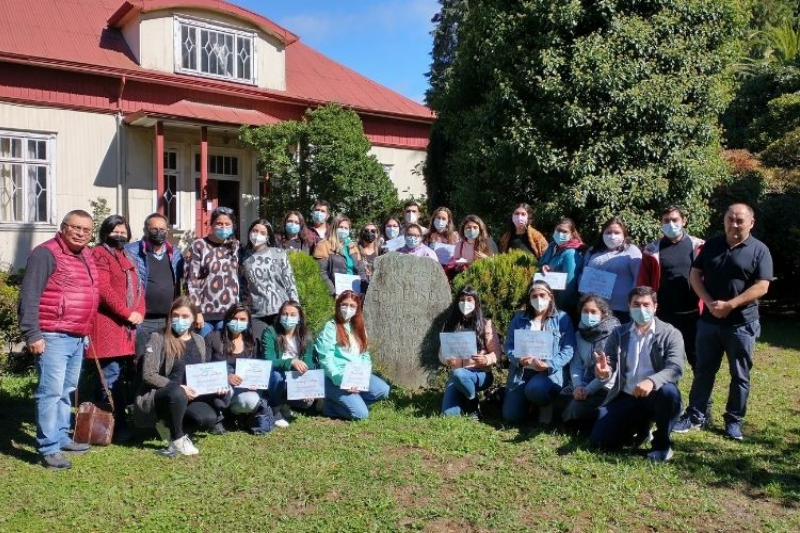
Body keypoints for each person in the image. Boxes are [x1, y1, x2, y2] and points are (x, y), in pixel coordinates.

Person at [674, 203, 772, 441]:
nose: (734, 224)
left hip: (741, 324)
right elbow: (695, 274)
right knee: (703, 370)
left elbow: (763, 285)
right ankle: (695, 415)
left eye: (739, 220)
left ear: (751, 222)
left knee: (739, 375)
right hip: (709, 321)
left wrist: (731, 304)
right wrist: (708, 302)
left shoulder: (759, 250)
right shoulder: (712, 245)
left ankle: (734, 421)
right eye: (730, 219)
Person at [19, 209, 100, 469]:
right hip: (53, 335)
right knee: (50, 393)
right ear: (63, 227)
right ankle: (48, 447)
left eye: (86, 230)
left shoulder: (85, 255)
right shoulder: (46, 253)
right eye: (75, 227)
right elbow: (29, 296)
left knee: (66, 390)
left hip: (76, 335)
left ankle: (61, 436)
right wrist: (32, 333)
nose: (80, 233)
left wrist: (86, 331)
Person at [590, 287, 685, 463]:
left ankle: (662, 445)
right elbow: (608, 366)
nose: (641, 309)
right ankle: (641, 427)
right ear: (628, 306)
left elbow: (676, 368)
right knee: (600, 441)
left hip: (657, 395)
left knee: (670, 393)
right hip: (628, 395)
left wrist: (652, 381)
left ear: (655, 307)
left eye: (646, 304)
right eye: (636, 304)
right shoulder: (619, 333)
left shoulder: (671, 333)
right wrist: (603, 372)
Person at [134, 297, 228, 456]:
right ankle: (177, 438)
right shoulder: (158, 338)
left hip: (190, 396)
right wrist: (177, 387)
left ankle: (169, 426)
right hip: (161, 395)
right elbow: (148, 375)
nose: (179, 320)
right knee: (177, 392)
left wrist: (214, 387)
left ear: (193, 318)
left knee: (207, 418)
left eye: (185, 316)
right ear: (170, 316)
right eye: (175, 315)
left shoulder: (199, 340)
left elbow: (202, 373)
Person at [86, 214, 145, 442]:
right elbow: (104, 290)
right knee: (109, 377)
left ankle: (102, 422)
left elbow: (138, 288)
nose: (119, 235)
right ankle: (115, 426)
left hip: (127, 326)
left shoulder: (126, 255)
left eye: (123, 232)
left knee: (116, 376)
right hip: (108, 325)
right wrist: (127, 313)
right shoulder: (99, 254)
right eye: (115, 231)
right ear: (105, 232)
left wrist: (139, 311)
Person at [637, 205, 704, 370]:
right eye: (666, 221)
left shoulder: (699, 246)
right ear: (660, 223)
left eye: (675, 220)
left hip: (693, 315)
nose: (671, 224)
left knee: (698, 360)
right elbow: (643, 284)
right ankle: (667, 395)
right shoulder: (651, 250)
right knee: (664, 361)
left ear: (684, 221)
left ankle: (703, 397)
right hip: (664, 315)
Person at [502, 281, 576, 424]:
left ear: (550, 296)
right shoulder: (519, 318)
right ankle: (530, 405)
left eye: (542, 295)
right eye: (534, 296)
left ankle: (545, 403)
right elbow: (509, 346)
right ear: (529, 299)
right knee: (511, 417)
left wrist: (549, 365)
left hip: (549, 373)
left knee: (535, 390)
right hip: (522, 372)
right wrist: (518, 359)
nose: (538, 299)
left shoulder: (562, 318)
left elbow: (568, 350)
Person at [315, 291, 390, 420]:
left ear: (357, 309)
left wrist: (361, 377)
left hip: (356, 374)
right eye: (344, 305)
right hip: (335, 378)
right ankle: (327, 406)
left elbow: (365, 354)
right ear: (338, 306)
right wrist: (342, 381)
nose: (347, 309)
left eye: (352, 306)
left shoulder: (358, 327)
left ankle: (352, 402)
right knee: (361, 415)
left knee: (383, 389)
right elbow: (326, 360)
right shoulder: (330, 327)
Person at [205, 303, 281, 429]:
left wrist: (255, 383)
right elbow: (205, 366)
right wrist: (225, 377)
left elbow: (255, 368)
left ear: (248, 322)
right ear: (227, 319)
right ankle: (220, 414)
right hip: (219, 388)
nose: (238, 322)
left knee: (252, 401)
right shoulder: (213, 337)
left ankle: (233, 413)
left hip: (242, 388)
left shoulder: (251, 342)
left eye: (242, 320)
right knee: (225, 387)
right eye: (234, 319)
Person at [126, 213, 184, 360]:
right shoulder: (132, 251)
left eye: (162, 229)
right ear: (145, 230)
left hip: (167, 319)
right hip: (143, 320)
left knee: (165, 360)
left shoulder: (175, 253)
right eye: (154, 229)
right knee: (142, 361)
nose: (159, 233)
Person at [439, 286, 501, 417]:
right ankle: (465, 397)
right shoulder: (450, 324)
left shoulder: (485, 324)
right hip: (457, 374)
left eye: (469, 300)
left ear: (476, 303)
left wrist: (486, 359)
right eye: (461, 300)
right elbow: (441, 352)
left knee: (459, 374)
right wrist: (447, 359)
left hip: (480, 373)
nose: (465, 303)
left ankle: (473, 403)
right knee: (449, 415)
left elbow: (496, 352)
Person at [561, 294, 619, 431]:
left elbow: (609, 372)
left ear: (603, 314)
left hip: (606, 386)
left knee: (575, 409)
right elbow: (576, 364)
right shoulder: (579, 334)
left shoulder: (615, 334)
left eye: (593, 312)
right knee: (560, 401)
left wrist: (588, 390)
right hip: (583, 384)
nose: (588, 315)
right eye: (585, 311)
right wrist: (578, 386)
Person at [187, 206, 241, 337]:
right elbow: (192, 281)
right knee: (204, 352)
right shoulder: (199, 245)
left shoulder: (235, 246)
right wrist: (197, 311)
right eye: (219, 224)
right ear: (211, 225)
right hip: (205, 314)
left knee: (224, 352)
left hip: (229, 313)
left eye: (227, 224)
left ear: (233, 226)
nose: (223, 227)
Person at [263, 300, 317, 422]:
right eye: (285, 314)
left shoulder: (306, 336)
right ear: (280, 315)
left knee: (307, 403)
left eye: (293, 315)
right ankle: (275, 410)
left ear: (299, 318)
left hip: (295, 378)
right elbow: (268, 361)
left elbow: (308, 363)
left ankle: (284, 403)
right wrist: (291, 362)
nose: (288, 318)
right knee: (277, 376)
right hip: (275, 376)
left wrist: (309, 386)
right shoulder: (271, 332)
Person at [240, 219, 299, 327]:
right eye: (255, 231)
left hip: (281, 311)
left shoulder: (279, 254)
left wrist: (296, 307)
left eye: (262, 233)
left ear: (267, 237)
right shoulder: (244, 258)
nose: (257, 235)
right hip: (257, 313)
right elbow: (243, 287)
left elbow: (290, 282)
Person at [582, 217, 642, 323]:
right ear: (603, 233)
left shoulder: (632, 251)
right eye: (608, 232)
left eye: (617, 232)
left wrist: (635, 303)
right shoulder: (592, 251)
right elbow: (583, 274)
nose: (612, 236)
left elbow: (638, 278)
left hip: (621, 309)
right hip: (595, 308)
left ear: (624, 234)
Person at [313, 214, 367, 296]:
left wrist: (363, 290)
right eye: (341, 227)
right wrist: (333, 293)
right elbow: (321, 273)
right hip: (334, 294)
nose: (343, 230)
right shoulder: (323, 245)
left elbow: (361, 271)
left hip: (355, 294)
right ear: (334, 228)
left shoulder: (354, 247)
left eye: (346, 228)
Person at [539, 218, 585, 313]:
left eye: (565, 231)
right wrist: (543, 266)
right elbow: (542, 262)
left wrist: (557, 307)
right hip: (545, 300)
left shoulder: (571, 254)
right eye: (558, 230)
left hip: (562, 306)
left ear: (571, 234)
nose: (560, 234)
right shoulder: (552, 246)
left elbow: (569, 285)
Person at [357, 221, 382, 286]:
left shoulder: (380, 251)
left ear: (377, 234)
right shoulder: (356, 250)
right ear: (362, 233)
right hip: (360, 286)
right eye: (366, 231)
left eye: (373, 231)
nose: (369, 233)